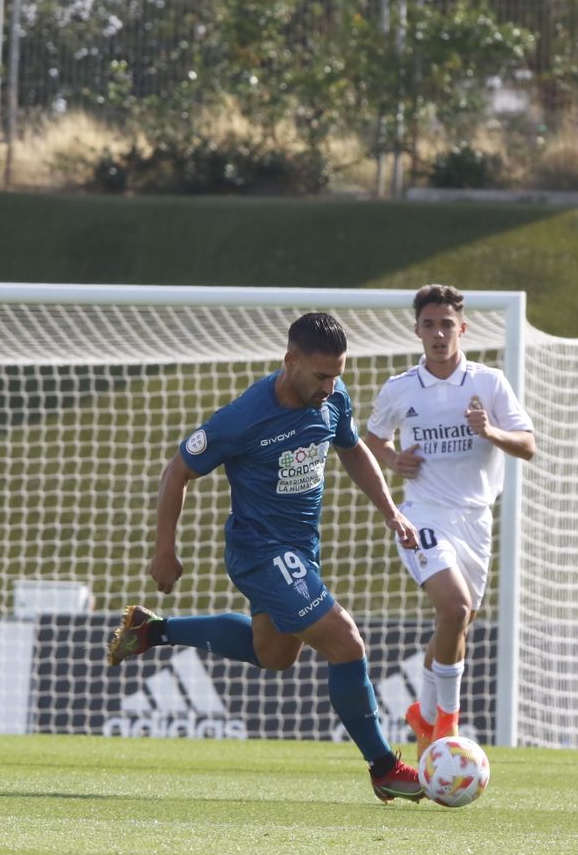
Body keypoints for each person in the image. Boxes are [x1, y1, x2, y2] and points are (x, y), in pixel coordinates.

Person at [106, 312, 427, 801]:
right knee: (347, 643)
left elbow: (352, 448)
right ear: (290, 360)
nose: (330, 385)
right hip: (259, 551)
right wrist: (164, 551)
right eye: (321, 375)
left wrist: (391, 512)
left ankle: (152, 630)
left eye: (337, 374)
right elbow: (178, 471)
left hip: (300, 550)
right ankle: (384, 768)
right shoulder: (245, 417)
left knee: (273, 655)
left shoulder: (333, 397)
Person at [362, 284, 535, 761]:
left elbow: (528, 445)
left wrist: (490, 431)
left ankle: (422, 713)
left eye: (446, 325)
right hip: (422, 514)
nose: (438, 334)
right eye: (428, 325)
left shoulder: (490, 383)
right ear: (417, 330)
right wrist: (395, 460)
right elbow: (371, 439)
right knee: (455, 608)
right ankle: (446, 727)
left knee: (456, 623)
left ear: (463, 329)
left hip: (476, 519)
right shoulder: (400, 388)